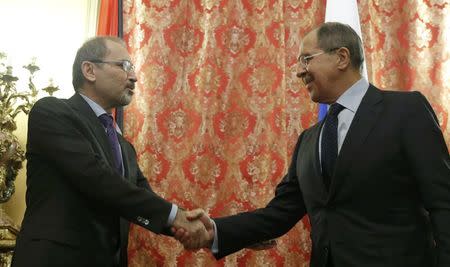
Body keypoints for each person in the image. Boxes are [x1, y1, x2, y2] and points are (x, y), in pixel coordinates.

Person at [174, 22, 450, 267]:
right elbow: (280, 213)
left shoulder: (405, 110)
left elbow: (443, 202)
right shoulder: (309, 140)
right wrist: (215, 231)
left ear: (342, 57)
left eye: (306, 60)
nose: (299, 73)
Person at [12, 36, 208, 267]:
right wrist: (178, 217)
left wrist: (204, 229)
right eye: (124, 66)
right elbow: (96, 177)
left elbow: (141, 197)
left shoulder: (124, 146)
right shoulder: (52, 113)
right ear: (90, 70)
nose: (134, 77)